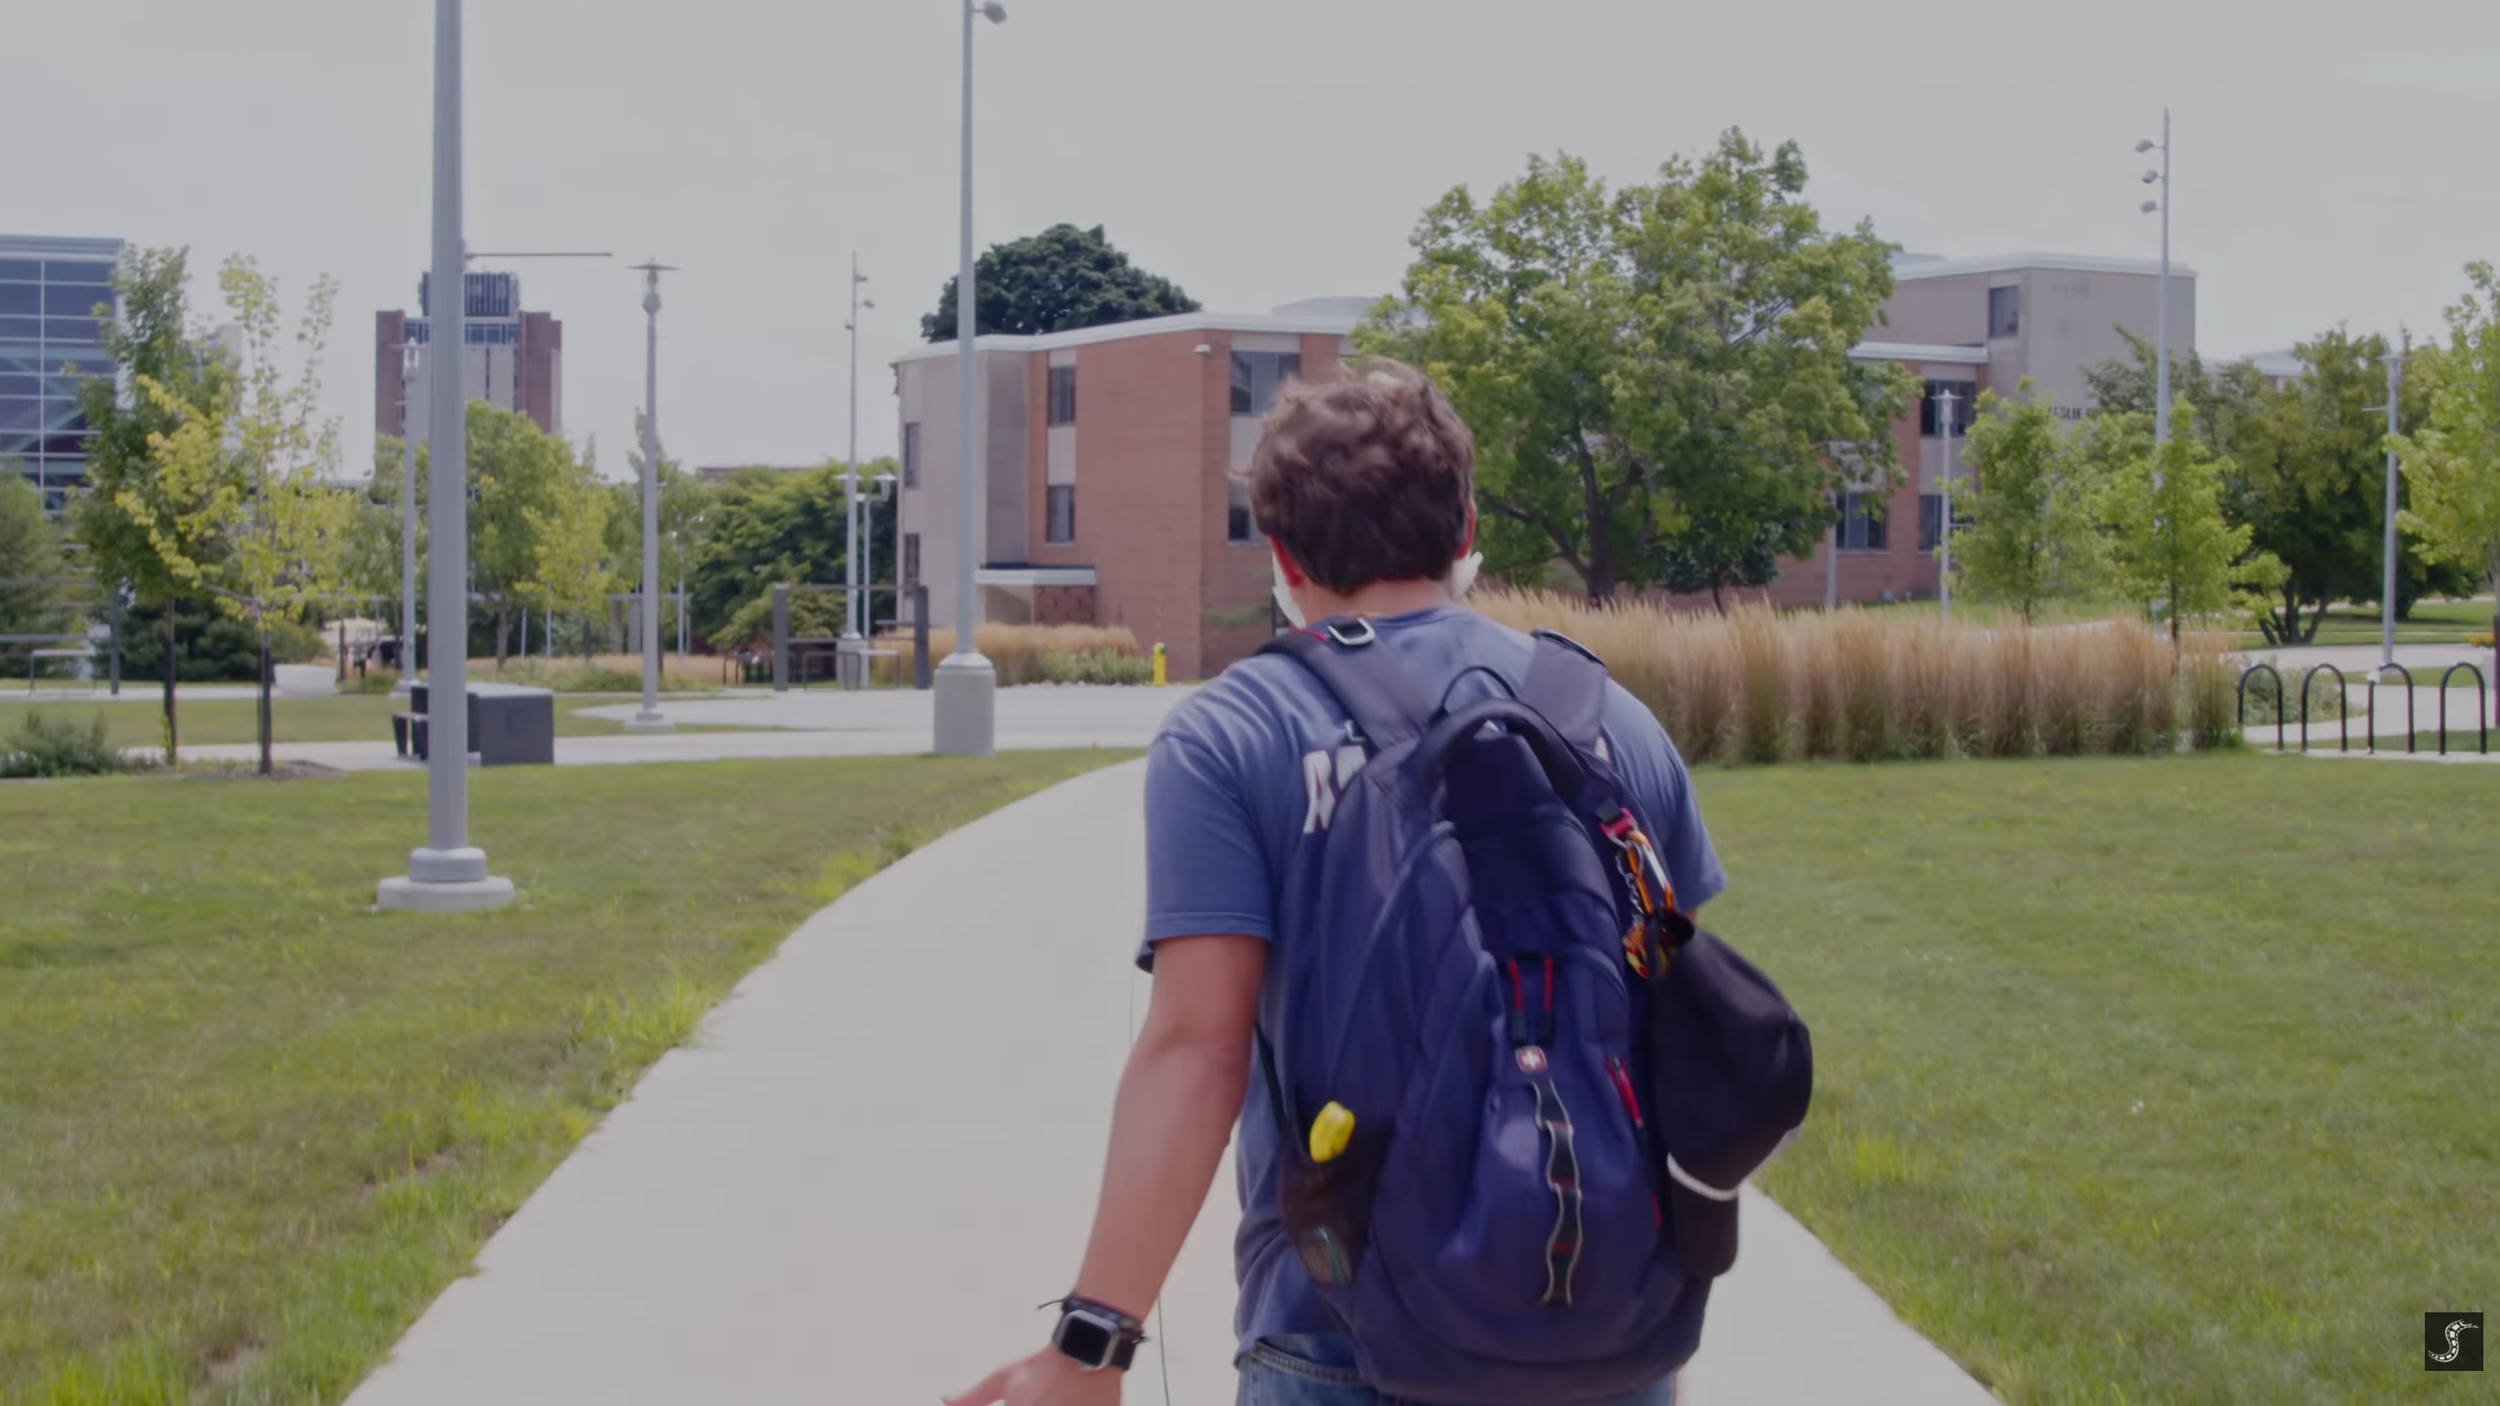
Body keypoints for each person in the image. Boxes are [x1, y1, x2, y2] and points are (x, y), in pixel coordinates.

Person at [948, 359, 1726, 1406]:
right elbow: (1682, 1035)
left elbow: (1197, 1048)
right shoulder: (1603, 720)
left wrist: (1092, 1346)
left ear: (1279, 550)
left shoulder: (1236, 732)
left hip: (1336, 1330)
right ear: (1464, 527)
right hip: (1606, 1326)